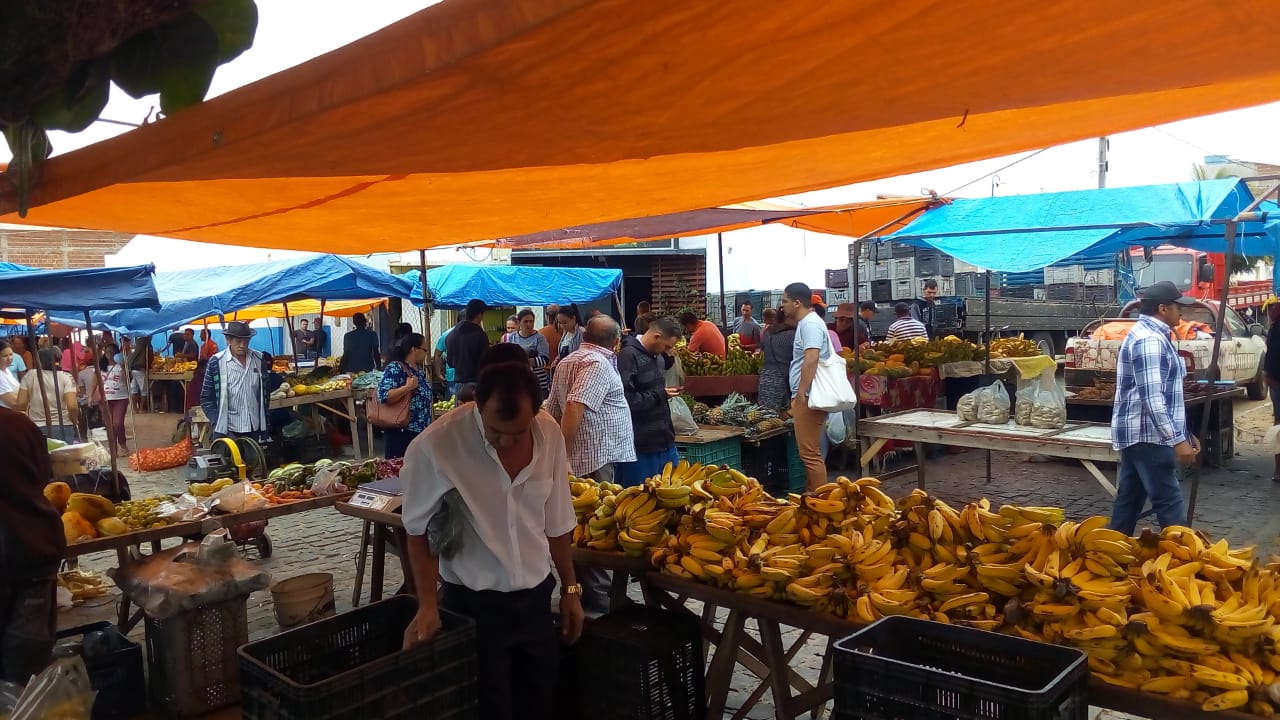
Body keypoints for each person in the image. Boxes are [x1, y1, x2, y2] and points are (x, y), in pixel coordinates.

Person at [401, 361, 583, 720]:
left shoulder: (549, 434)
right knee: (489, 708)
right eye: (496, 431)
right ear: (477, 404)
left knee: (541, 703)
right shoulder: (437, 445)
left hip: (535, 601)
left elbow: (558, 521)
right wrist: (427, 604)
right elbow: (417, 531)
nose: (507, 442)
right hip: (473, 609)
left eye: (519, 432)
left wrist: (571, 589)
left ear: (536, 411)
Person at [545, 316, 636, 613]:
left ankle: (588, 591)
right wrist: (562, 455)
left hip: (587, 456)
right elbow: (573, 406)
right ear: (616, 341)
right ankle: (599, 595)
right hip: (593, 457)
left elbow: (552, 407)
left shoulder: (569, 360)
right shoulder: (596, 364)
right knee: (594, 527)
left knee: (581, 527)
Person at [1109, 281, 1199, 534]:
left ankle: (1111, 550)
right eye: (1177, 307)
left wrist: (1185, 434)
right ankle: (1182, 552)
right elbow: (1153, 398)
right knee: (1169, 503)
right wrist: (1177, 440)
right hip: (1149, 436)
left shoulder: (1153, 336)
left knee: (1129, 500)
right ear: (1162, 308)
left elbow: (1169, 396)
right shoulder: (1149, 340)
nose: (1181, 312)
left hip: (1143, 434)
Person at [0, 407, 65, 684]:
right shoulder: (17, 424)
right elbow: (42, 478)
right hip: (33, 549)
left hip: (26, 552)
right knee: (25, 671)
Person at [616, 317, 682, 487]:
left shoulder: (659, 358)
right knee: (639, 496)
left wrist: (663, 395)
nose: (668, 351)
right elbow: (627, 401)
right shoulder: (628, 356)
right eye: (667, 346)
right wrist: (660, 395)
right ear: (656, 336)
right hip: (640, 448)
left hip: (665, 443)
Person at [782, 283, 831, 491]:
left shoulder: (810, 324)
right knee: (809, 452)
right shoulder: (808, 323)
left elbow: (811, 358)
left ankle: (823, 500)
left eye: (785, 301)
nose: (782, 305)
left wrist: (801, 393)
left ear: (797, 302)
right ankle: (812, 495)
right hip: (808, 394)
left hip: (809, 395)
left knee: (810, 454)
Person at [200, 321, 273, 443]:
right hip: (228, 430)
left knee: (254, 455)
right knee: (230, 455)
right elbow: (206, 398)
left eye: (246, 341)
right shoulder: (216, 362)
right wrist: (216, 420)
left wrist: (265, 419)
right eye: (238, 341)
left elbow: (266, 393)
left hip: (255, 428)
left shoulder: (259, 359)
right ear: (228, 340)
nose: (242, 345)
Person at [378, 333, 433, 459]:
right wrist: (407, 387)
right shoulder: (396, 368)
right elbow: (384, 395)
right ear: (414, 349)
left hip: (420, 432)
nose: (426, 354)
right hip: (402, 432)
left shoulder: (419, 371)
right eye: (424, 350)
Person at [17, 347, 80, 442]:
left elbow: (21, 404)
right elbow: (72, 406)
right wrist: (75, 420)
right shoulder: (66, 377)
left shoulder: (30, 375)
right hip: (62, 425)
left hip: (36, 426)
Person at [446, 299, 491, 394]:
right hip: (475, 384)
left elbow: (450, 362)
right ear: (479, 314)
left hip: (458, 384)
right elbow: (486, 361)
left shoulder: (451, 334)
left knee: (460, 404)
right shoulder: (480, 334)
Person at [758, 308, 796, 413]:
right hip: (783, 379)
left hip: (765, 378)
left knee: (765, 415)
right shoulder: (793, 335)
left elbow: (762, 349)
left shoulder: (768, 333)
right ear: (788, 318)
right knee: (783, 416)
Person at [509, 309, 551, 394]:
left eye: (531, 321)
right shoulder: (512, 337)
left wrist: (525, 361)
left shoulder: (539, 338)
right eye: (526, 321)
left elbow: (545, 359)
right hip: (519, 382)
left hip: (538, 382)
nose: (529, 324)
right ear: (519, 322)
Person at [102, 346, 131, 456]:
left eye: (112, 351)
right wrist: (91, 396)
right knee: (109, 424)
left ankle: (122, 443)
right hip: (106, 398)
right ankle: (113, 448)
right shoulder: (101, 367)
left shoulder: (121, 366)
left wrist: (124, 369)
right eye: (107, 351)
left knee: (117, 423)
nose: (109, 353)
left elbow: (127, 381)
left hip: (121, 397)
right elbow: (95, 381)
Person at [1266, 299, 1280, 482]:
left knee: (1278, 425)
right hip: (1277, 380)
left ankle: (1278, 470)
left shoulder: (1275, 325)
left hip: (1275, 380)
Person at [549, 305, 585, 371]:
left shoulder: (581, 333)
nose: (562, 326)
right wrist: (557, 359)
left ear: (573, 318)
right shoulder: (565, 333)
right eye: (560, 323)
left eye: (565, 323)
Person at [127, 335, 153, 413]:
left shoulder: (135, 346)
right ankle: (141, 408)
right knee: (144, 390)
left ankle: (135, 408)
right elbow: (150, 358)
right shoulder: (146, 346)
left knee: (133, 389)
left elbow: (130, 358)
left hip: (133, 369)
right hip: (141, 369)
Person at [433, 324, 456, 399]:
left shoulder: (447, 334)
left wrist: (438, 374)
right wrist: (438, 374)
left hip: (452, 376)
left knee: (453, 402)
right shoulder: (474, 333)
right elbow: (437, 355)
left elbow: (437, 355)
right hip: (454, 376)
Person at [0, 341, 17, 409]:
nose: (9, 358)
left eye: (11, 354)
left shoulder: (6, 370)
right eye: (5, 356)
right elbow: (13, 402)